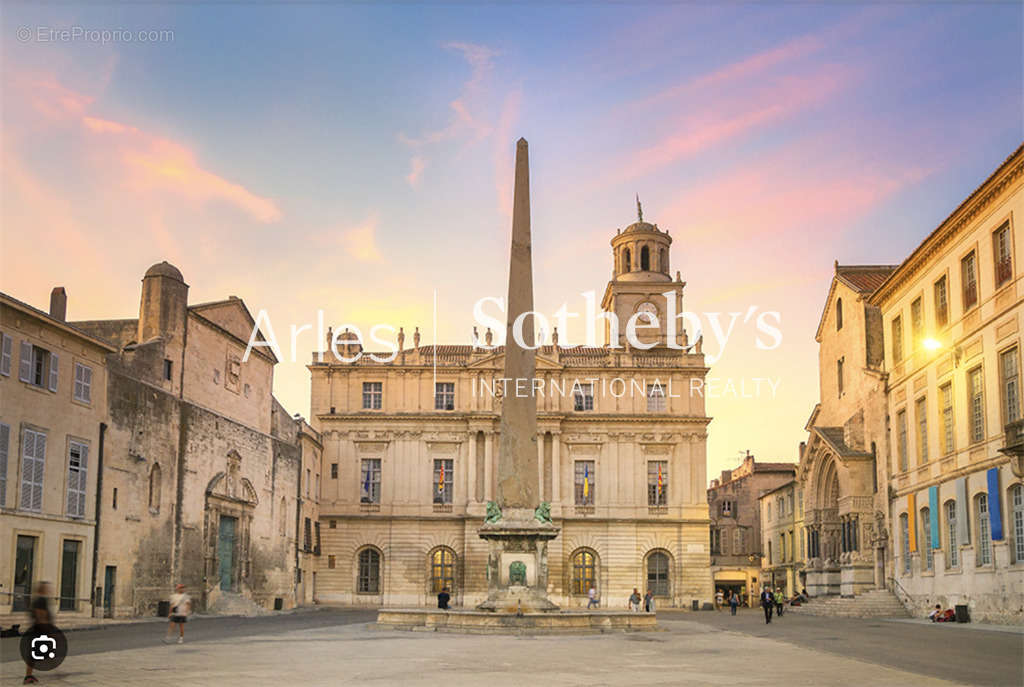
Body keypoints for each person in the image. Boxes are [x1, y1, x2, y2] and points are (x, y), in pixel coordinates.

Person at [24, 581, 54, 684]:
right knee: (35, 654)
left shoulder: (37, 599)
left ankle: (28, 676)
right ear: (43, 590)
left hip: (37, 629)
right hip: (39, 630)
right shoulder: (41, 600)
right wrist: (46, 629)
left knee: (35, 653)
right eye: (46, 588)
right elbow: (40, 615)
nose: (48, 590)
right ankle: (28, 676)